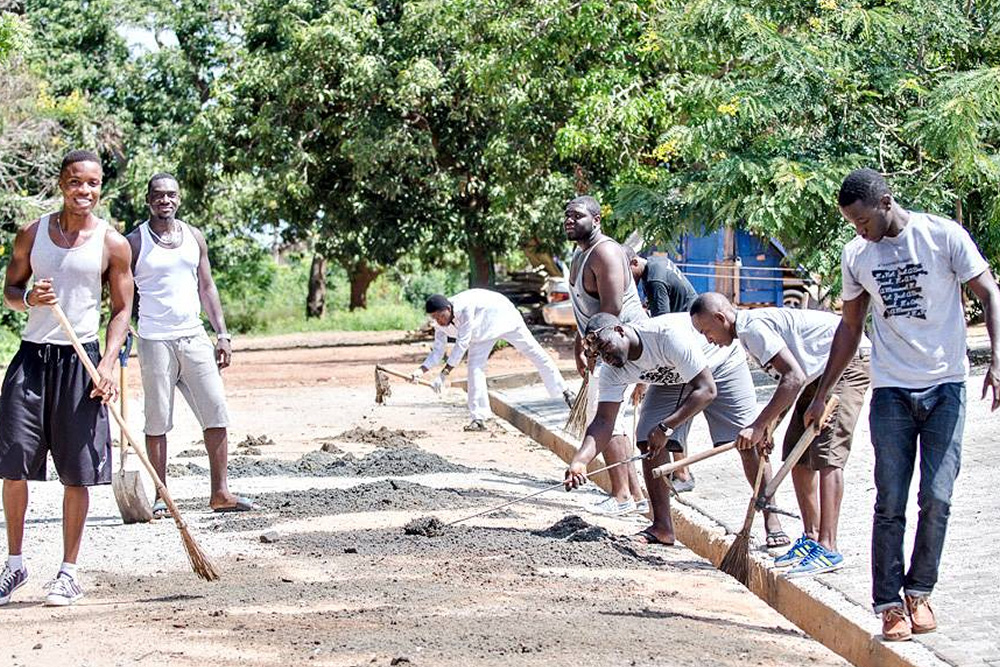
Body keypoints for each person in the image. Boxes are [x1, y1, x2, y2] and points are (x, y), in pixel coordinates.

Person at [803, 168, 1000, 641]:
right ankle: (890, 606)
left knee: (937, 497)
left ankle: (920, 593)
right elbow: (849, 328)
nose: (859, 231)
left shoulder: (943, 236)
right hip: (890, 390)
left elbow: (990, 293)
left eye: (863, 221)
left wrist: (997, 361)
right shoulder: (857, 255)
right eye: (852, 224)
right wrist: (824, 390)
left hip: (946, 386)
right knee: (890, 500)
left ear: (886, 202)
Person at [0, 149, 132, 606]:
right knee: (13, 463)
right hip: (32, 361)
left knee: (77, 474)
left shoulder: (113, 244)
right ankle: (14, 565)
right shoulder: (32, 235)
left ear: (101, 188)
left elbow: (121, 311)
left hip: (83, 363)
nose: (85, 192)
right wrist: (29, 299)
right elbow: (10, 292)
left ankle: (67, 571)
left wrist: (108, 364)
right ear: (62, 183)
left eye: (93, 184)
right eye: (76, 182)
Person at [563, 312, 786, 547]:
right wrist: (580, 460)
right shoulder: (612, 369)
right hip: (671, 377)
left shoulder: (665, 336)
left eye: (607, 348)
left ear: (620, 330)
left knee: (747, 439)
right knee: (647, 438)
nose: (606, 358)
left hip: (720, 365)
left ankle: (773, 520)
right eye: (599, 355)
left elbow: (706, 390)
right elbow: (603, 422)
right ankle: (662, 528)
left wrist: (666, 427)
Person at [690, 292, 870, 577]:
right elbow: (793, 380)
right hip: (818, 374)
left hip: (846, 362)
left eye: (707, 331)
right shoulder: (748, 333)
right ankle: (811, 539)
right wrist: (770, 425)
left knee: (827, 454)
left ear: (721, 318)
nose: (708, 339)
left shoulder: (751, 328)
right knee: (796, 456)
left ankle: (828, 547)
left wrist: (759, 425)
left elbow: (793, 378)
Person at [127, 173, 253, 516]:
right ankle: (161, 496)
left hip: (194, 336)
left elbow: (207, 288)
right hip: (154, 341)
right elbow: (122, 296)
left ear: (179, 198)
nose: (164, 200)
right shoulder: (134, 242)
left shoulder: (194, 237)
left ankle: (220, 493)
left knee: (216, 412)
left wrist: (222, 333)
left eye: (170, 195)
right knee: (157, 421)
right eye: (158, 195)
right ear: (148, 199)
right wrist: (122, 332)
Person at [564, 196, 646, 515]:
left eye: (577, 215)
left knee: (606, 417)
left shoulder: (606, 253)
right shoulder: (581, 253)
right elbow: (586, 311)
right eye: (567, 215)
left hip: (622, 345)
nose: (569, 220)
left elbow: (610, 313)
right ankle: (635, 497)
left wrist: (597, 352)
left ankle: (622, 496)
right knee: (617, 422)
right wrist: (582, 345)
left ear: (596, 220)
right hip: (603, 344)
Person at [413, 289, 573, 431]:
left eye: (440, 316)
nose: (439, 321)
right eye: (435, 318)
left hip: (504, 317)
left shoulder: (465, 308)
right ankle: (479, 418)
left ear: (448, 309)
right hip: (481, 331)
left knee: (534, 352)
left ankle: (565, 391)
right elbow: (438, 351)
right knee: (474, 369)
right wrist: (421, 370)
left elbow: (461, 344)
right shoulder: (440, 324)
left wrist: (443, 374)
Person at [623, 244, 699, 491]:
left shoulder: (654, 280)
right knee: (671, 413)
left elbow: (659, 329)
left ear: (634, 263)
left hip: (686, 347)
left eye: (626, 275)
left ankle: (683, 473)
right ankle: (681, 471)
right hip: (686, 341)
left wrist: (642, 380)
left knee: (670, 414)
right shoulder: (656, 266)